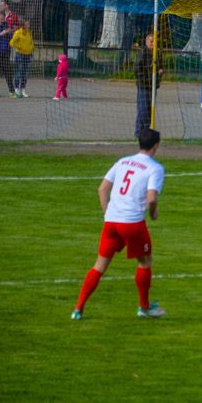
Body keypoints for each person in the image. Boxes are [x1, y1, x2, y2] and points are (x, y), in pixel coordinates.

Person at [71, 128, 166, 320]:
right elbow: (151, 198)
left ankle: (78, 309)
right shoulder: (155, 168)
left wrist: (109, 213)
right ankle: (144, 308)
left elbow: (102, 189)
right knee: (145, 261)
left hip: (111, 223)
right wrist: (153, 213)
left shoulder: (122, 162)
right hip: (132, 224)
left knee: (99, 266)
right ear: (156, 146)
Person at [134, 33, 162, 138]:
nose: (153, 43)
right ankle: (140, 133)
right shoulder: (143, 53)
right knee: (143, 110)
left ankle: (144, 132)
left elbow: (160, 66)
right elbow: (137, 69)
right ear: (146, 42)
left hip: (153, 86)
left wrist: (160, 71)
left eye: (155, 41)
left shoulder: (157, 53)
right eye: (151, 41)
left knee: (150, 110)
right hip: (144, 86)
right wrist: (147, 78)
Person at [8, 20, 35, 98]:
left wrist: (32, 48)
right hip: (20, 55)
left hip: (28, 55)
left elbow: (31, 42)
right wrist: (19, 47)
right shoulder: (18, 32)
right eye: (27, 24)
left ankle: (23, 90)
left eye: (29, 24)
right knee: (19, 72)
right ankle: (16, 89)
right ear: (23, 25)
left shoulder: (29, 32)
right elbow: (11, 42)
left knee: (25, 74)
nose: (29, 25)